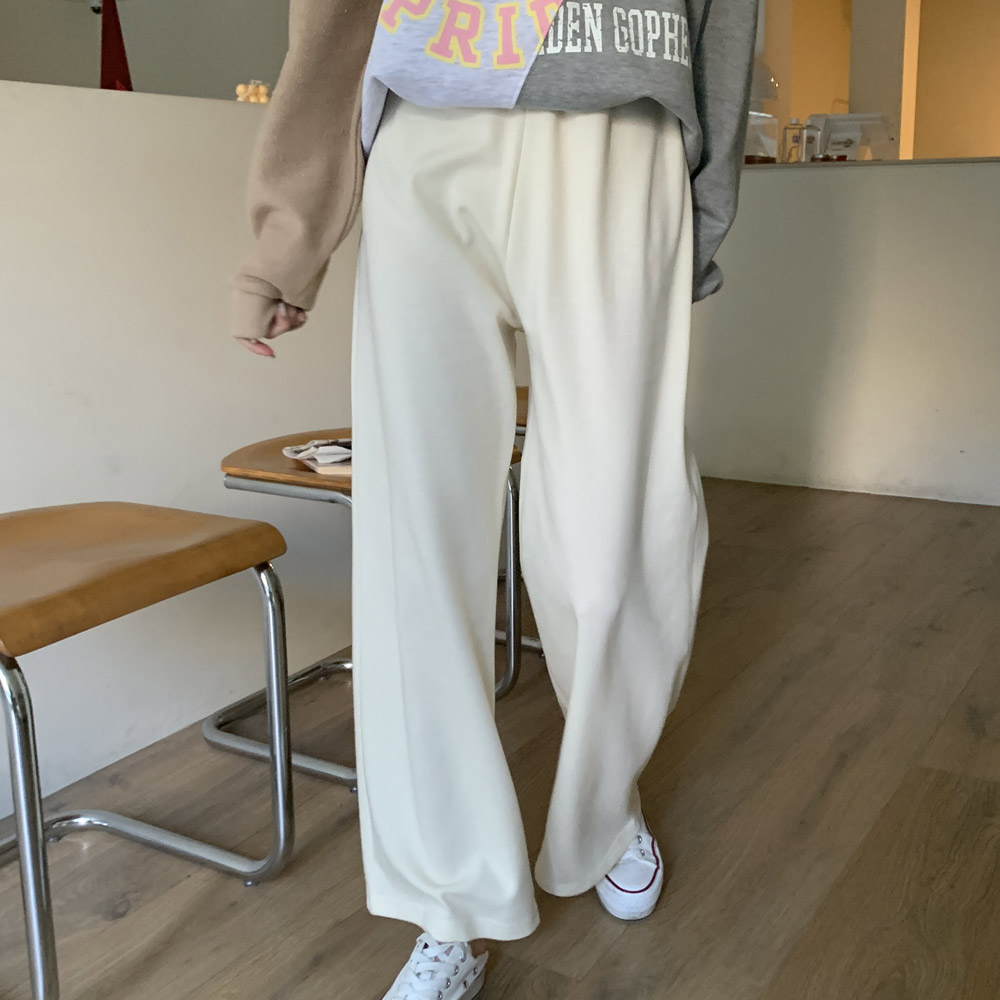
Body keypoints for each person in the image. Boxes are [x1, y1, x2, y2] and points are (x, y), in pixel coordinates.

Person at [230, 2, 758, 997]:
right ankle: (450, 900)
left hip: (617, 117)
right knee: (417, 547)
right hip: (426, 121)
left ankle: (604, 807)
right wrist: (291, 230)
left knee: (615, 546)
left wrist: (701, 207)